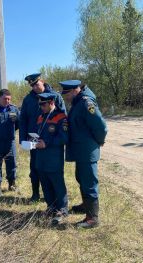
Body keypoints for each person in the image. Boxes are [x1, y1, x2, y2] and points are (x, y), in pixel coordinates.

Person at [59, 80, 108, 228]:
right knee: (81, 178)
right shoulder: (78, 101)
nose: (65, 97)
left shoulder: (86, 103)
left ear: (75, 90)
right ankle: (86, 206)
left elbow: (101, 126)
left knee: (89, 182)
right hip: (81, 150)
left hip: (87, 151)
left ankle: (92, 218)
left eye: (66, 94)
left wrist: (99, 141)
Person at [20, 73, 66, 202]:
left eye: (36, 84)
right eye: (32, 85)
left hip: (51, 140)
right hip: (33, 139)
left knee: (53, 170)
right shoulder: (28, 99)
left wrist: (59, 139)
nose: (34, 87)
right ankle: (35, 194)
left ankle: (55, 198)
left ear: (42, 81)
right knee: (35, 168)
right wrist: (23, 139)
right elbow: (23, 119)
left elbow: (63, 117)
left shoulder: (55, 96)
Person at [35, 93, 69, 225]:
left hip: (54, 157)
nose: (41, 107)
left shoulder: (61, 117)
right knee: (45, 183)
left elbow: (64, 138)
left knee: (57, 184)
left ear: (51, 103)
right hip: (41, 157)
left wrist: (46, 143)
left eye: (43, 104)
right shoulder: (40, 116)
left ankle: (62, 210)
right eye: (40, 104)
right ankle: (51, 207)